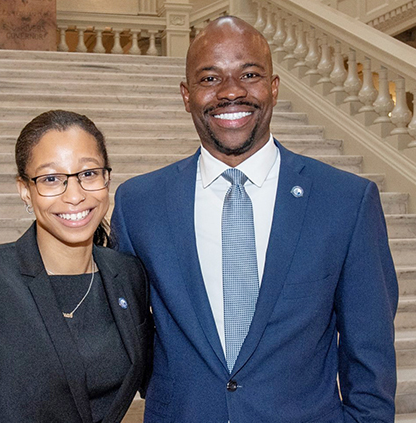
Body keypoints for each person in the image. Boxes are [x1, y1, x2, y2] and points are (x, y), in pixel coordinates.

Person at [111, 16, 398, 422]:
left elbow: (370, 354)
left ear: (274, 88)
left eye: (249, 74)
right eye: (210, 79)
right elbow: (130, 338)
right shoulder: (138, 204)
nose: (231, 92)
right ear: (186, 95)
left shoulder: (346, 201)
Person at [0, 110, 152, 423]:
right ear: (25, 190)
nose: (75, 195)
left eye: (88, 173)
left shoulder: (128, 275)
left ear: (107, 178)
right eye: (52, 179)